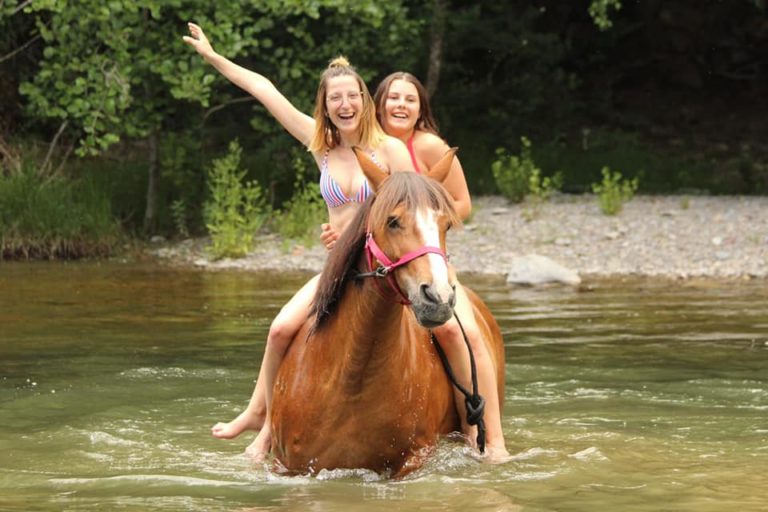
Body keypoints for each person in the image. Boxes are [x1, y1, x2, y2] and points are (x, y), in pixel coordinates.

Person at [183, 22, 414, 460]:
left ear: (364, 100)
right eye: (335, 98)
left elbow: (410, 215)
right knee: (278, 330)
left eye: (352, 96)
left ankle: (477, 421)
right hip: (337, 270)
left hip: (381, 268)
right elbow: (265, 89)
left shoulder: (390, 151)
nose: (344, 104)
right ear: (326, 106)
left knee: (448, 331)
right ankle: (264, 419)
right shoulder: (320, 146)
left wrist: (352, 233)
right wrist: (213, 58)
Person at [322, 73, 510, 461]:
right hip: (376, 260)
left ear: (421, 107)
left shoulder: (428, 146)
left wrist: (424, 226)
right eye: (393, 98)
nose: (401, 105)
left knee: (466, 336)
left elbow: (462, 203)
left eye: (410, 99)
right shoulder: (371, 143)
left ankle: (489, 438)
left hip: (423, 258)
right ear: (378, 103)